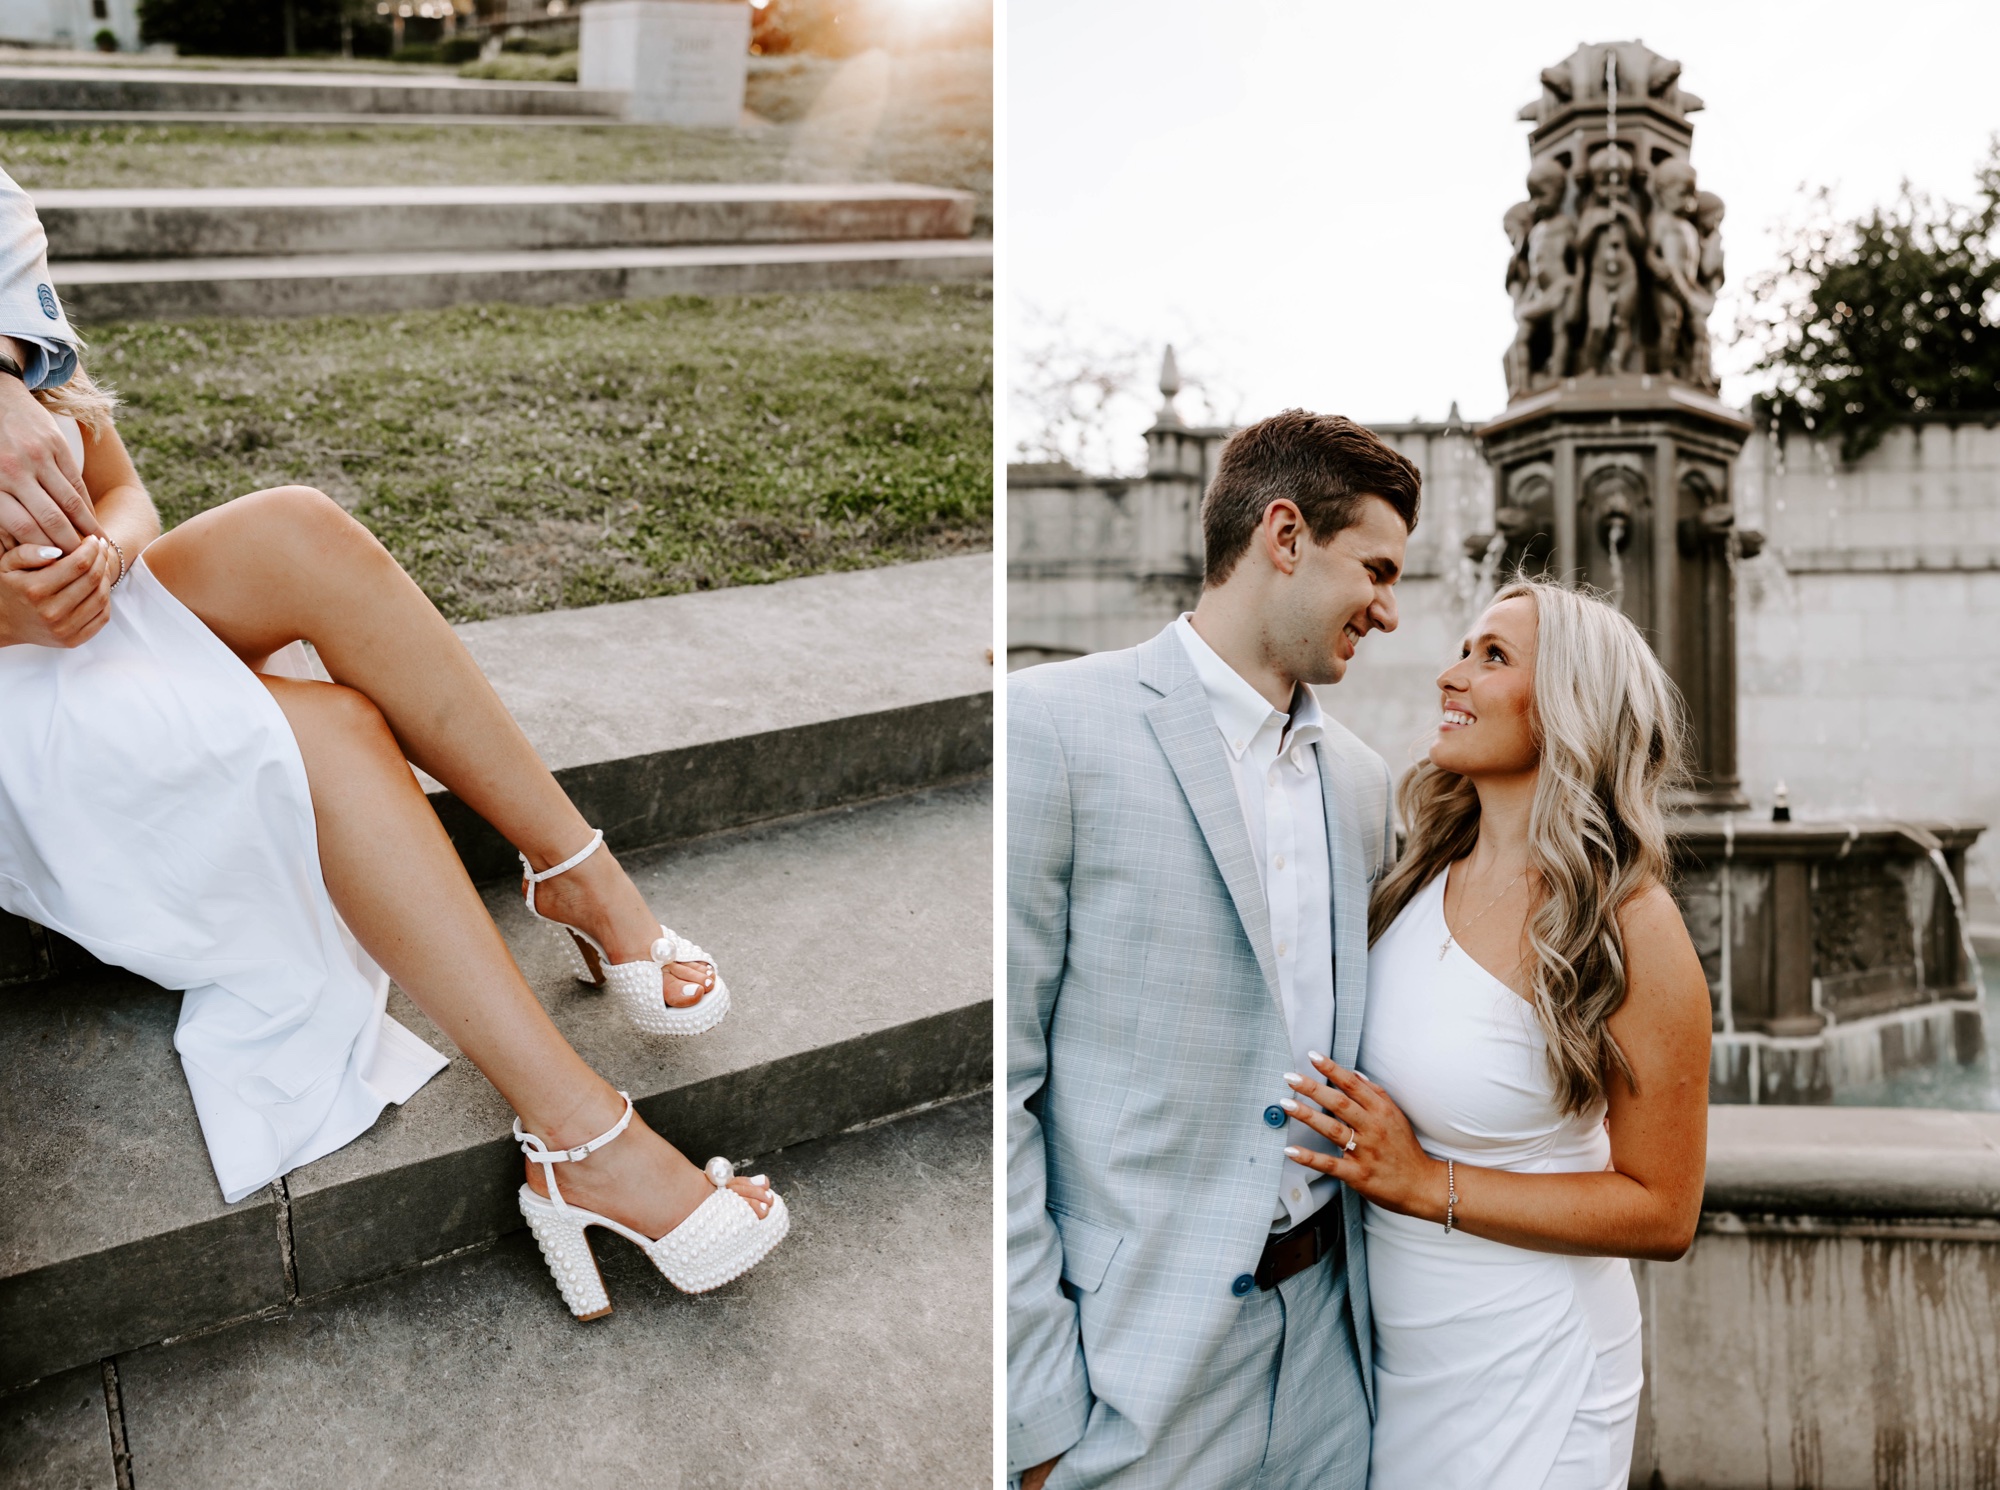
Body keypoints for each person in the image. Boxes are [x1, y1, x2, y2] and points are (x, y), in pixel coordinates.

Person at [0, 306, 787, 1315]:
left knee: (297, 526)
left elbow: (120, 488)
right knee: (332, 731)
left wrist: (105, 553)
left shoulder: (10, 263)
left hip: (101, 616)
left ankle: (576, 871)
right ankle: (581, 1141)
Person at [1008, 410, 1419, 1489]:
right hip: (1132, 1379)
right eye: (1374, 568)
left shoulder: (1366, 783)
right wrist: (1038, 1418)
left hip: (1333, 1358)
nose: (1388, 608)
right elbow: (994, 1088)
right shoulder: (1047, 728)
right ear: (1283, 535)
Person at [1278, 578, 1710, 1488]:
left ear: (1567, 708)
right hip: (1394, 1348)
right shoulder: (1415, 871)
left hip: (1534, 1363)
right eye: (1465, 649)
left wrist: (1426, 1181)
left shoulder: (1629, 921)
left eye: (1493, 657)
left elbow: (1664, 1209)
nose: (1451, 674)